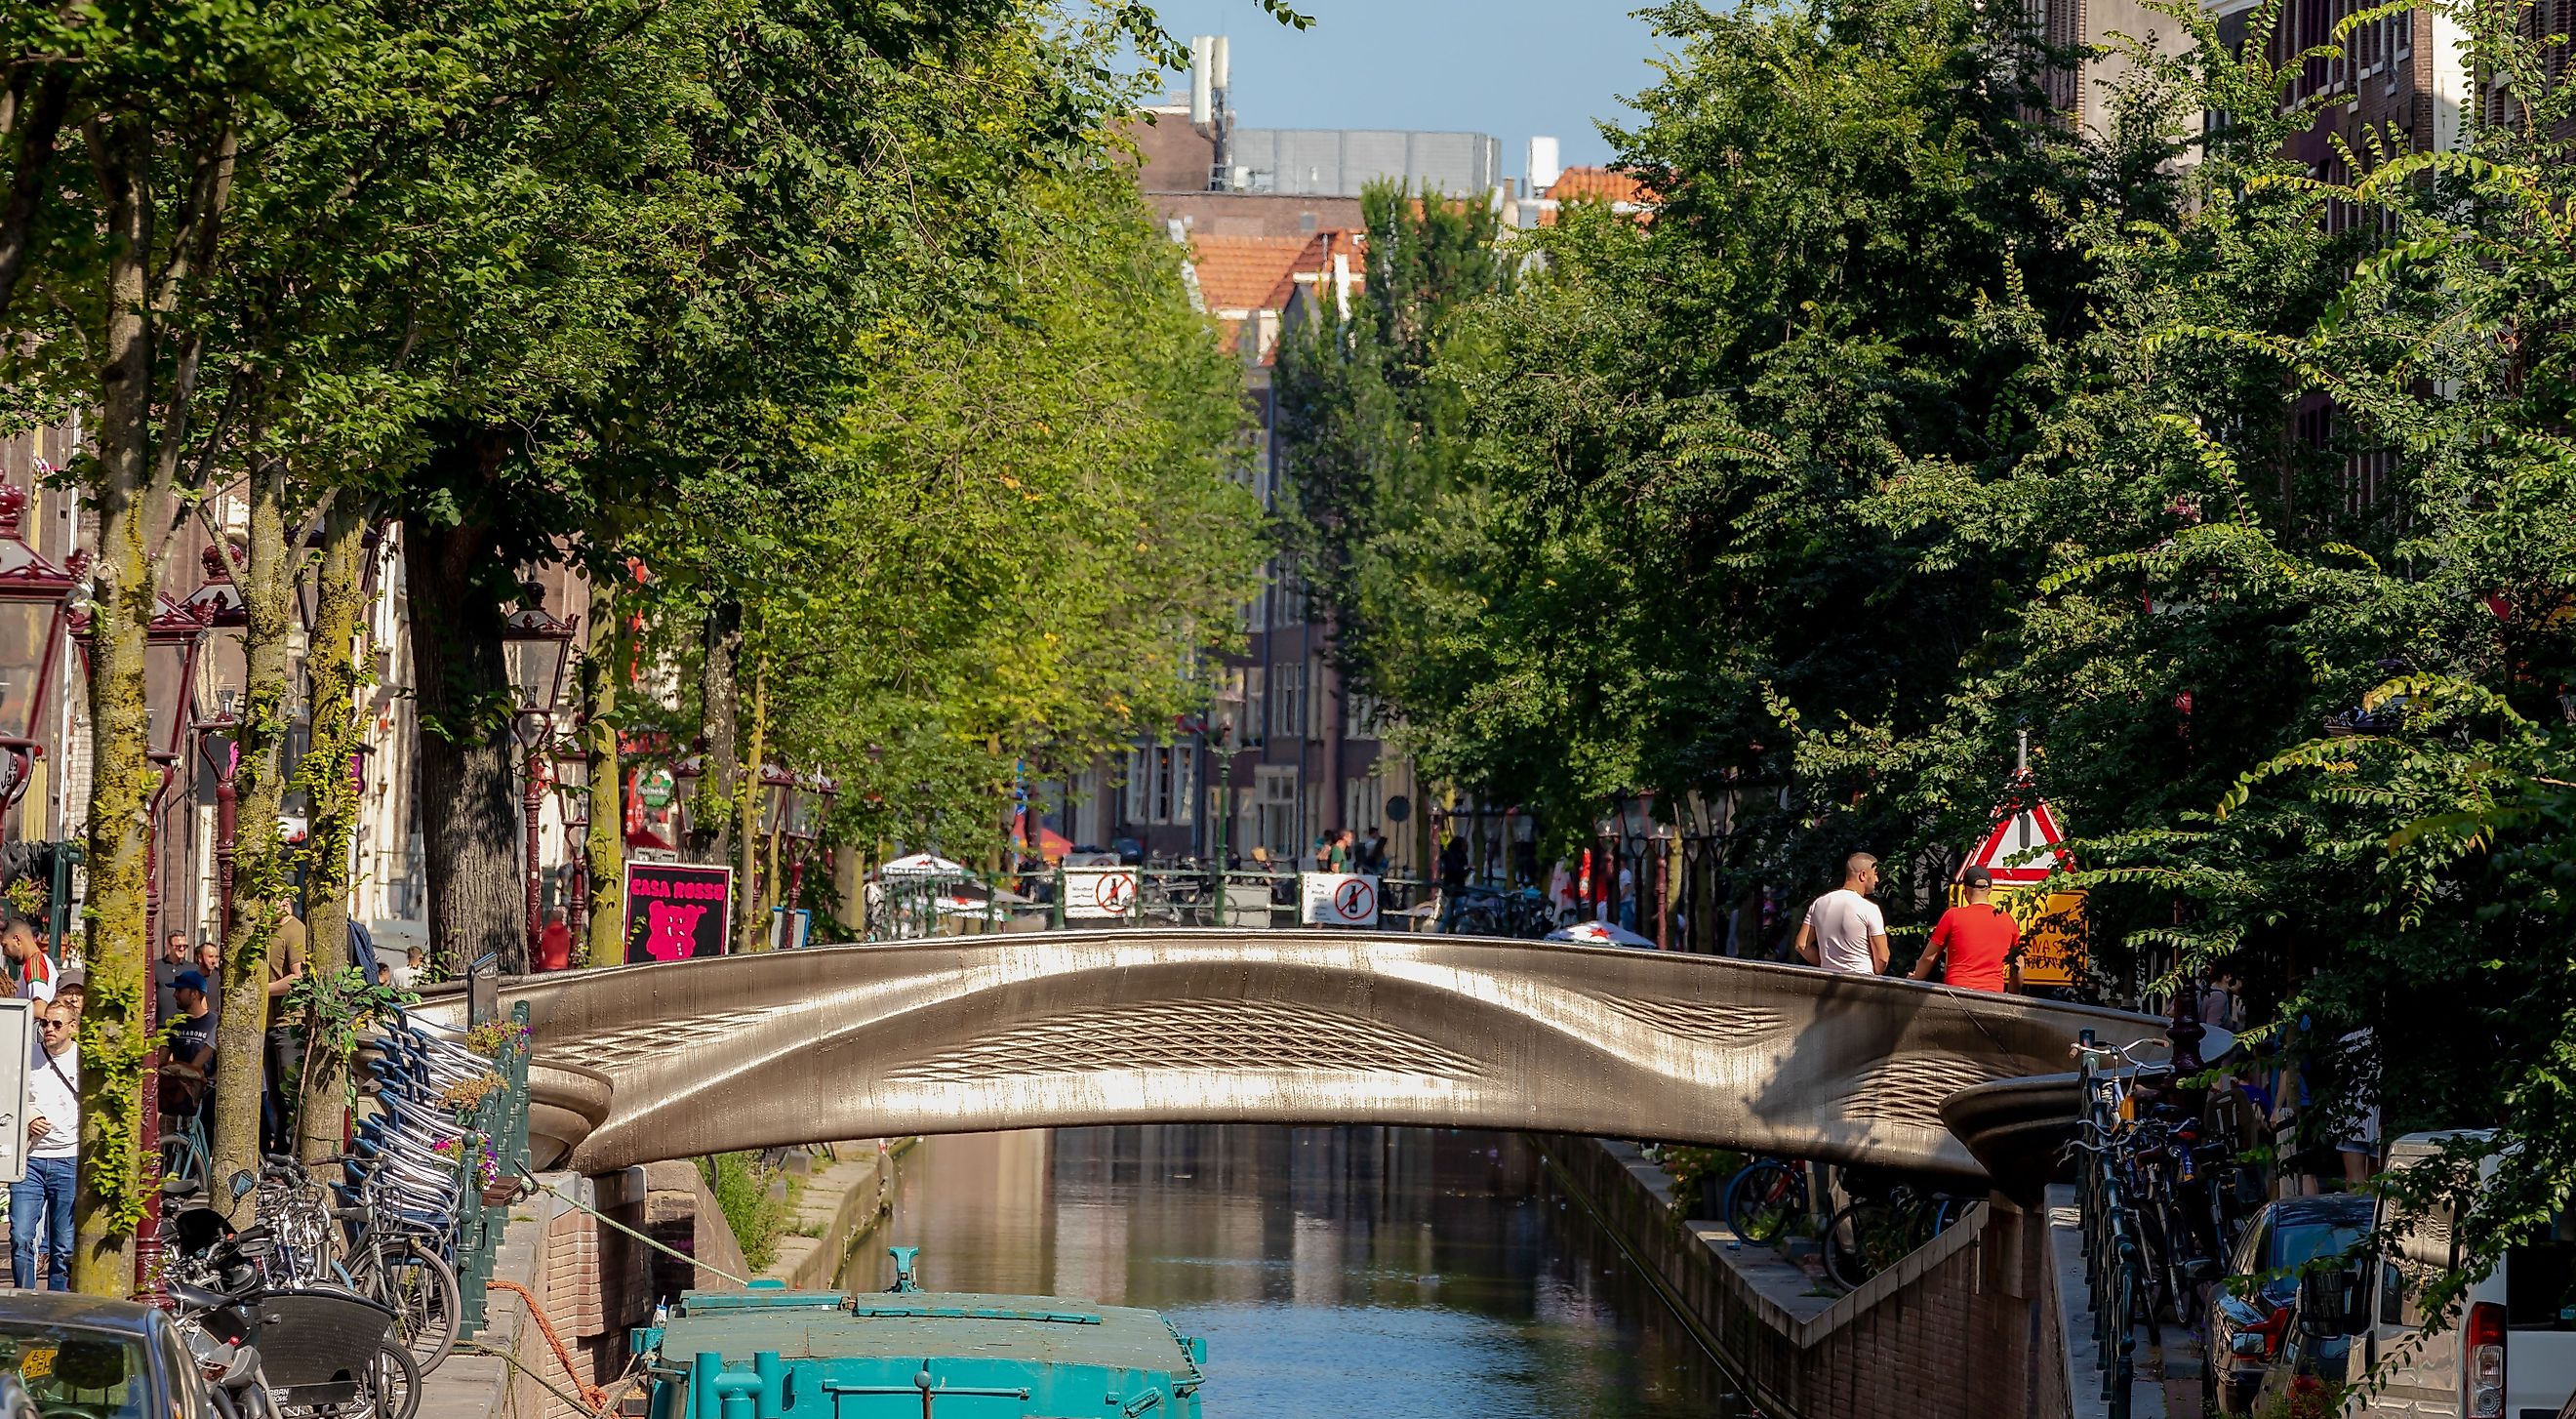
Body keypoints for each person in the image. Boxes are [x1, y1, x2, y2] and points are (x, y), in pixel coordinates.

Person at [14, 1000, 78, 1289]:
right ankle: (25, 1304)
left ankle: (57, 1307)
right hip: (30, 1159)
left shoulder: (84, 1060)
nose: (48, 1029)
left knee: (63, 1245)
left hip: (69, 1158)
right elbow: (9, 1094)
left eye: (56, 1024)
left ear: (73, 1028)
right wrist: (30, 1116)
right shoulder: (27, 1056)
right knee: (21, 1237)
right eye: (45, 1023)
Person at [1910, 866, 2021, 993]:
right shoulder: (2007, 920)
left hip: (1957, 994)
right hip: (1993, 995)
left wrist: (1916, 978)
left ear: (1965, 889)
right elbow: (2019, 965)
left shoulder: (1953, 916)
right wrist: (2013, 996)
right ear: (1990, 889)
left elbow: (1928, 958)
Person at [1793, 853, 1890, 975]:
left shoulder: (1819, 903)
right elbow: (1882, 957)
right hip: (1862, 980)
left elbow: (1802, 945)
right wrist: (1876, 974)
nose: (1877, 880)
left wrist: (1826, 964)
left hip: (1829, 981)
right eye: (1875, 874)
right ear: (1863, 875)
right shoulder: (1869, 908)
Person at [263, 903, 308, 1156]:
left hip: (288, 1024)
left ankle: (293, 1152)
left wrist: (265, 989)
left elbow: (298, 977)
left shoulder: (295, 930)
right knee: (273, 1094)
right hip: (268, 1023)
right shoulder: (267, 930)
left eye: (285, 899)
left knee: (289, 1091)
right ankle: (279, 1149)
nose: (280, 904)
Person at [163, 970, 218, 1136]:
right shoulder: (175, 1025)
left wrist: (212, 1080)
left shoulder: (214, 1023)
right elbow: (161, 1060)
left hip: (206, 1098)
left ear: (194, 994)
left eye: (179, 990)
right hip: (177, 1098)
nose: (174, 995)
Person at [3, 917, 54, 1002]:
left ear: (17, 939)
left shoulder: (35, 964)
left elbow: (40, 1009)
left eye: (5, 946)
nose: (4, 953)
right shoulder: (36, 962)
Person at [156, 930, 192, 1024]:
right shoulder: (156, 967)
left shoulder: (192, 969)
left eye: (185, 946)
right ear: (168, 946)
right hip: (161, 1025)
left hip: (185, 1025)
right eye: (178, 946)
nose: (181, 949)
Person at [536, 907, 574, 972]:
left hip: (548, 965)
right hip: (563, 965)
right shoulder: (567, 934)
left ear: (551, 918)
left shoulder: (545, 933)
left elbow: (540, 949)